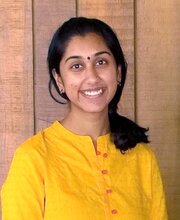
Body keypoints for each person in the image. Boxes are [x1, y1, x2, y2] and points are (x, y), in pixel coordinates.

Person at [1, 17, 168, 220]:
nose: (92, 77)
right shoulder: (33, 159)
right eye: (77, 66)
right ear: (59, 79)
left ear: (118, 71)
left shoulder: (143, 158)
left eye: (101, 62)